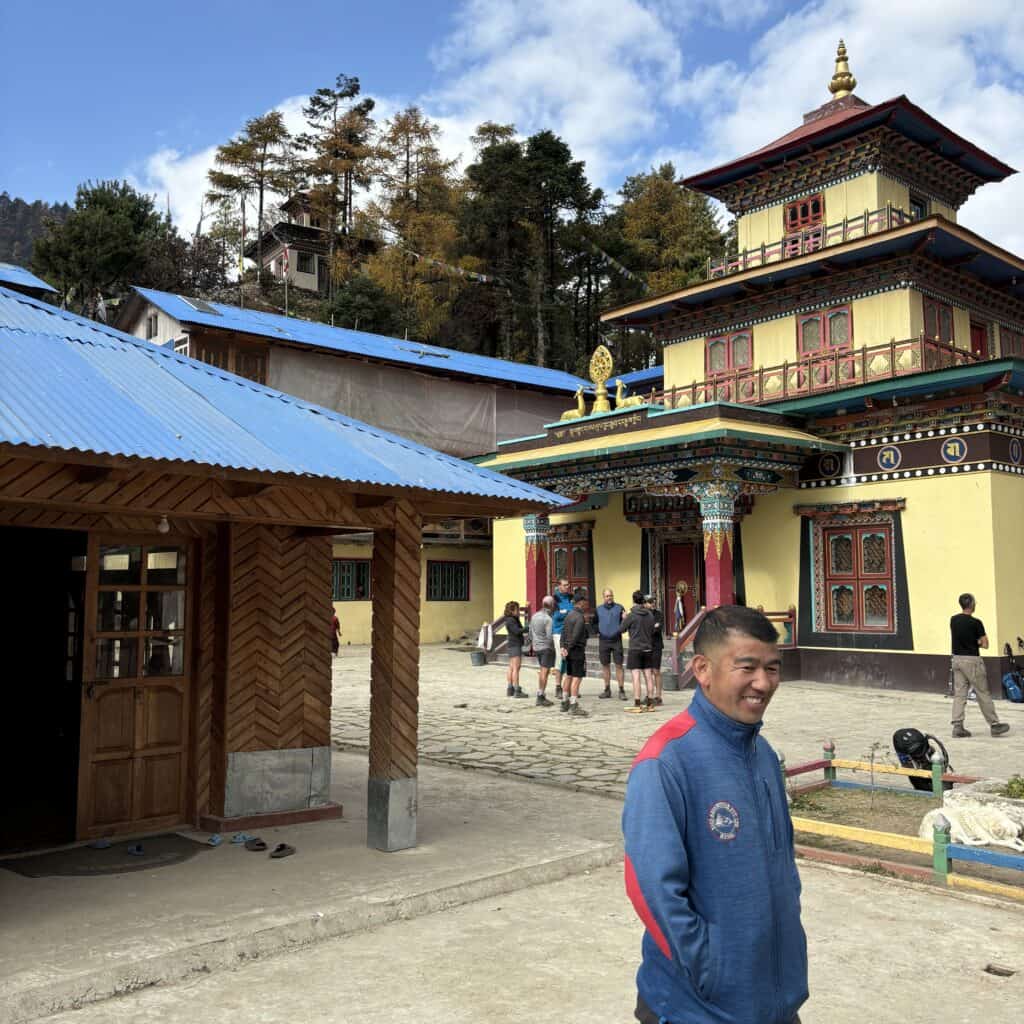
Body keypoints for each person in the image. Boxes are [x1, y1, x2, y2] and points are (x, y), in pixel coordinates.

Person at [622, 605, 807, 1024]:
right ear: (702, 669)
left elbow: (784, 869)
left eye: (773, 668)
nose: (763, 683)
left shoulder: (762, 756)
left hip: (775, 999)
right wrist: (709, 969)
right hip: (697, 1008)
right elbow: (652, 890)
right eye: (747, 667)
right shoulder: (666, 762)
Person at [950, 593, 1010, 738]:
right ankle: (994, 724)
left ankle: (957, 726)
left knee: (960, 694)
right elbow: (985, 644)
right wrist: (975, 641)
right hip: (972, 661)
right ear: (971, 604)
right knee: (982, 692)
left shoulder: (953, 620)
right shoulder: (976, 623)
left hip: (957, 659)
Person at [621, 590, 656, 712]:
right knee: (648, 675)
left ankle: (637, 704)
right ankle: (651, 703)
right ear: (643, 601)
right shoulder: (650, 615)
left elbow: (621, 629)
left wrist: (623, 618)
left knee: (636, 676)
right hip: (647, 648)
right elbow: (652, 630)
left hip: (635, 648)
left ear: (633, 600)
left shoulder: (631, 615)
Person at [558, 590, 589, 717]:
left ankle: (565, 702)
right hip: (576, 650)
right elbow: (576, 636)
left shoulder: (569, 615)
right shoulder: (580, 617)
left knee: (568, 675)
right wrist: (569, 648)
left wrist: (562, 647)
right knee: (577, 677)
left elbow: (563, 633)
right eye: (585, 602)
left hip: (568, 650)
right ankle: (574, 704)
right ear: (581, 603)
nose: (586, 605)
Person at [596, 588, 627, 700]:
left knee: (619, 665)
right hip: (603, 641)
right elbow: (593, 623)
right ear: (603, 597)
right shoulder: (598, 609)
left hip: (616, 640)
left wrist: (624, 620)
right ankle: (607, 689)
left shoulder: (620, 608)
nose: (609, 598)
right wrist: (597, 632)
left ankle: (621, 690)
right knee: (605, 665)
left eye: (611, 596)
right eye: (607, 596)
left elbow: (625, 627)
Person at [529, 596, 556, 707]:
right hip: (546, 648)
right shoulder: (548, 619)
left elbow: (530, 633)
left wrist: (535, 643)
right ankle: (540, 695)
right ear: (551, 605)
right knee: (544, 672)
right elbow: (549, 637)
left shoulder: (534, 616)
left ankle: (542, 694)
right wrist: (553, 647)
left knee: (542, 671)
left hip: (537, 647)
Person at [550, 577, 574, 700]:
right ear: (559, 586)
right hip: (558, 632)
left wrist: (566, 612)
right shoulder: (554, 600)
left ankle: (567, 687)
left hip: (570, 632)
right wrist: (566, 613)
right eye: (565, 585)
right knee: (560, 659)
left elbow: (573, 612)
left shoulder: (570, 598)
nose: (567, 587)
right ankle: (558, 687)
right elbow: (556, 616)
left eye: (568, 585)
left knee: (569, 659)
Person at [503, 600, 528, 698]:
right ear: (512, 610)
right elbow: (517, 631)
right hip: (515, 644)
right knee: (516, 668)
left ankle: (510, 688)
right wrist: (526, 629)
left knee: (511, 667)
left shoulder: (512, 619)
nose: (519, 611)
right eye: (517, 609)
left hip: (512, 644)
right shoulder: (511, 620)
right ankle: (517, 690)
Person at [645, 595, 664, 706]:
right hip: (646, 645)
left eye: (653, 601)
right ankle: (649, 695)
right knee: (648, 672)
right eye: (650, 602)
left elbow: (657, 629)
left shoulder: (659, 614)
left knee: (656, 671)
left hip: (656, 645)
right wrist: (652, 627)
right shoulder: (643, 614)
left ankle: (658, 696)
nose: (652, 603)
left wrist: (650, 628)